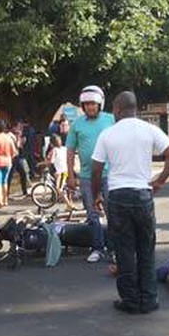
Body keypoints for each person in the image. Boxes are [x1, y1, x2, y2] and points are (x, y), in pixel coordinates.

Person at [91, 91, 169, 314]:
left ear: (118, 109)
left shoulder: (107, 134)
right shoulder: (149, 130)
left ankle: (130, 301)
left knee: (124, 251)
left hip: (118, 197)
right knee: (146, 250)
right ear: (135, 109)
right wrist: (160, 180)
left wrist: (96, 196)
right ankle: (149, 300)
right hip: (143, 196)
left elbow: (96, 168)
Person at [66, 85, 115, 263]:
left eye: (93, 104)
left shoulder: (111, 119)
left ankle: (114, 248)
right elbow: (70, 150)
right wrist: (70, 175)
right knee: (92, 214)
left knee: (113, 213)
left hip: (110, 175)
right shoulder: (77, 124)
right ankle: (97, 248)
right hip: (86, 176)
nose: (89, 107)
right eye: (86, 105)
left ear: (100, 104)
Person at [36, 134, 74, 210]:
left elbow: (51, 161)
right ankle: (69, 205)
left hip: (61, 171)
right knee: (64, 188)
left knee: (58, 189)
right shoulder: (64, 148)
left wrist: (40, 163)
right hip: (66, 170)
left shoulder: (54, 150)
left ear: (51, 143)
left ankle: (69, 205)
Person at [7, 122, 32, 197]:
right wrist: (18, 137)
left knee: (23, 173)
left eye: (20, 128)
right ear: (13, 128)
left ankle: (24, 191)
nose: (19, 129)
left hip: (17, 157)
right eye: (18, 127)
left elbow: (20, 146)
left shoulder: (17, 135)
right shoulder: (10, 136)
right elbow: (17, 146)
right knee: (10, 175)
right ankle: (7, 193)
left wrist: (21, 139)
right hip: (12, 158)